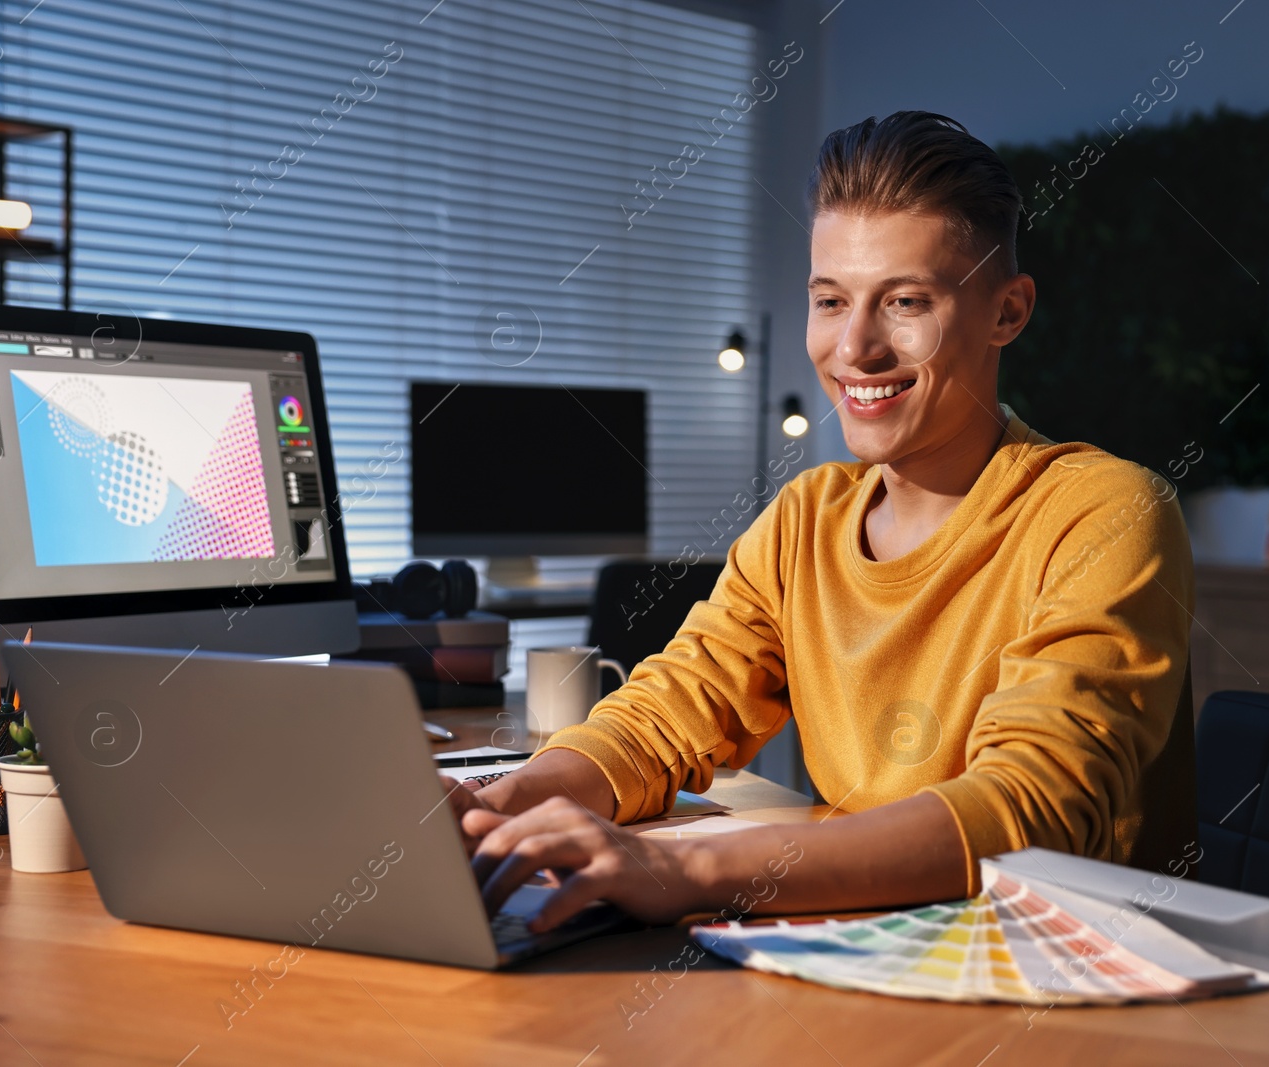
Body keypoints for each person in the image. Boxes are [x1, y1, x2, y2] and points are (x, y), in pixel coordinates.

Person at [453, 110, 1197, 933]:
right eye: (830, 299)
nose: (855, 348)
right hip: (869, 943)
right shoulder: (805, 518)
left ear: (1007, 312)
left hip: (1060, 980)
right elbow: (666, 716)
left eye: (906, 301)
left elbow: (1030, 809)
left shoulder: (1104, 512)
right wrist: (495, 805)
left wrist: (682, 864)